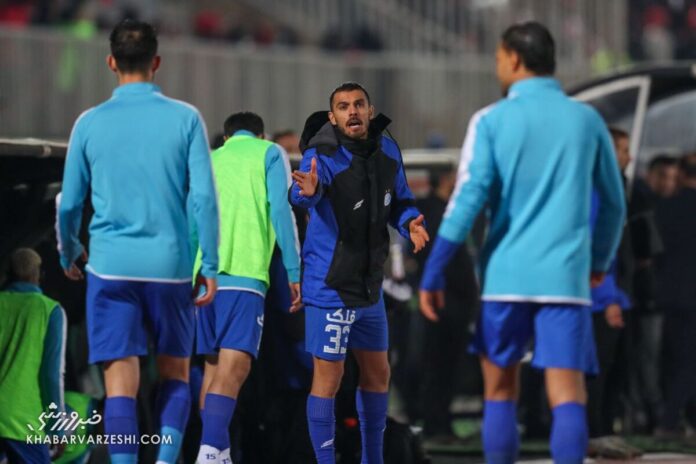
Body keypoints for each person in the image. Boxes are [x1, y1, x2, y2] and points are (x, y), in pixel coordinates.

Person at [419, 22, 625, 464]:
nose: (497, 66)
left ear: (514, 58)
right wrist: (599, 261)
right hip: (566, 280)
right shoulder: (587, 120)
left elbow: (467, 199)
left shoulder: (490, 120)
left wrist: (434, 270)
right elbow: (614, 203)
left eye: (498, 58)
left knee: (499, 390)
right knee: (567, 393)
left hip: (505, 279)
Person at [56, 19, 219, 464]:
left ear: (111, 62)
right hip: (170, 267)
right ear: (156, 62)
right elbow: (204, 199)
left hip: (110, 267)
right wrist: (209, 263)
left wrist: (69, 250)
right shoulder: (186, 118)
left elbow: (70, 203)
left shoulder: (89, 123)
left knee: (119, 387)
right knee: (175, 375)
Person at [289, 82, 429, 464]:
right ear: (332, 117)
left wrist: (409, 223)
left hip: (370, 287)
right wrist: (307, 192)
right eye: (343, 106)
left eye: (358, 104)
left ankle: (373, 459)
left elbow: (400, 201)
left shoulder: (388, 150)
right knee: (329, 378)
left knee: (378, 373)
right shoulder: (322, 154)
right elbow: (301, 193)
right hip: (330, 285)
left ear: (369, 110)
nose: (352, 111)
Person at [195, 112, 302, 463]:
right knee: (234, 369)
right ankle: (209, 454)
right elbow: (282, 212)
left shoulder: (210, 158)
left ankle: (217, 451)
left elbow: (193, 215)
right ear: (262, 135)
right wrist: (294, 269)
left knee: (212, 370)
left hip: (203, 279)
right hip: (243, 274)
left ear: (226, 138)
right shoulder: (269, 153)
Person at [414, 169, 480, 442]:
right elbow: (434, 255)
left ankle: (441, 424)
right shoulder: (434, 212)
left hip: (453, 300)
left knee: (447, 367)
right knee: (439, 366)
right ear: (445, 180)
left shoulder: (441, 211)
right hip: (443, 301)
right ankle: (436, 425)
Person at [0, 249, 67, 463]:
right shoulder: (50, 310)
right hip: (23, 421)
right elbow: (52, 376)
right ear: (38, 274)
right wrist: (57, 427)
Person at [654, 153, 696, 441]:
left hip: (668, 292)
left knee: (674, 358)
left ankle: (677, 417)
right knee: (689, 361)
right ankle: (669, 419)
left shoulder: (664, 207)